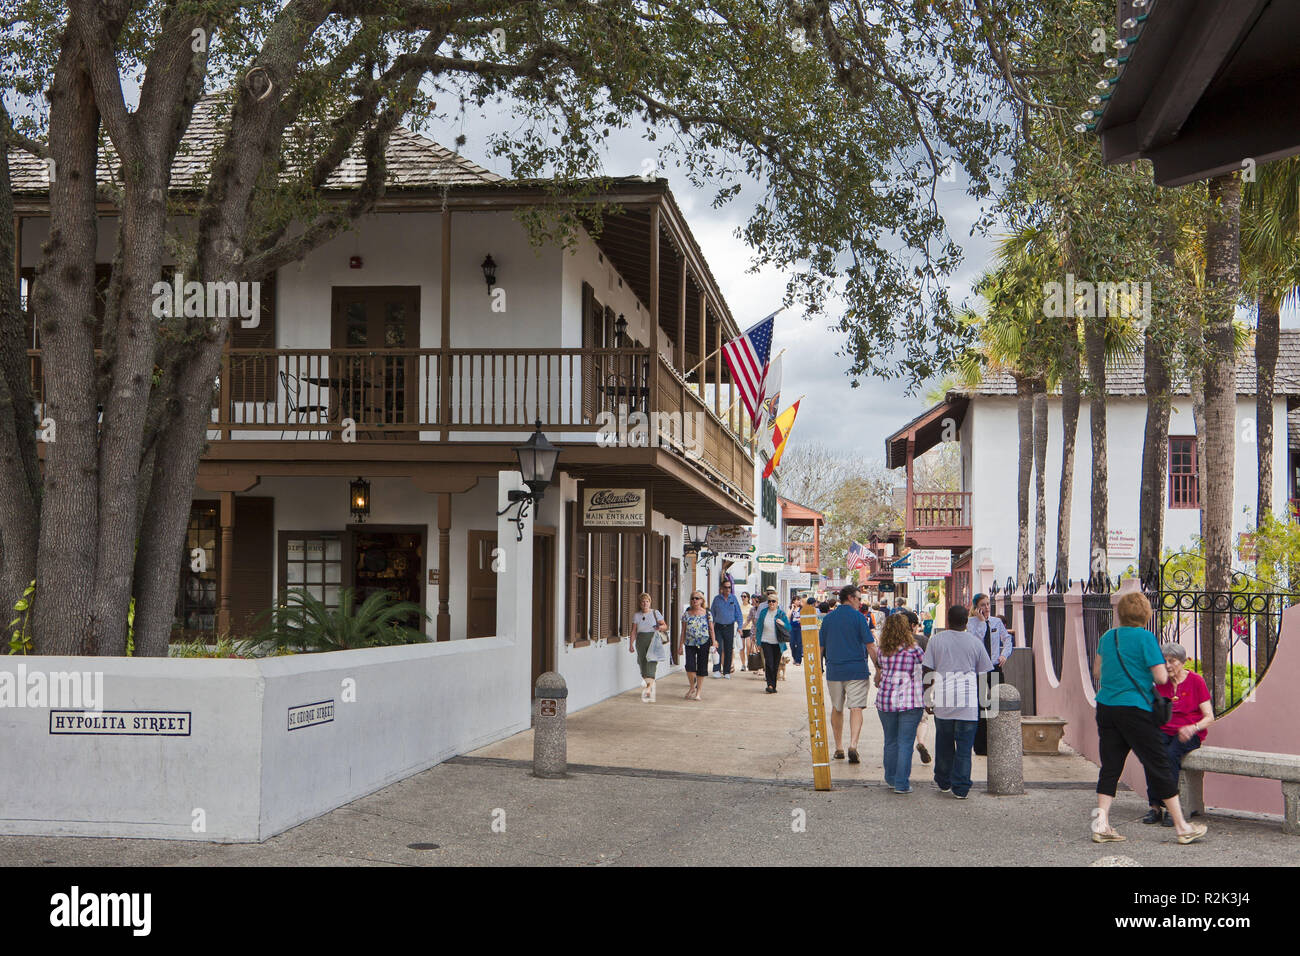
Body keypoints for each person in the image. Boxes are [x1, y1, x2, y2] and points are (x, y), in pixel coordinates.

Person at [1092, 592, 1207, 844]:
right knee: (1158, 764)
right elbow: (1162, 678)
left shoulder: (1108, 637)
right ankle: (1182, 826)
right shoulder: (1146, 638)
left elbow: (1098, 671)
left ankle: (1101, 823)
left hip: (1106, 707)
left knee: (1110, 765)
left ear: (1120, 613)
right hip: (1135, 710)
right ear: (1146, 614)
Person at [922, 604, 992, 799]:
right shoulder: (975, 642)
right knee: (964, 747)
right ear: (966, 622)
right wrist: (985, 702)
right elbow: (985, 672)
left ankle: (943, 781)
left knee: (944, 744)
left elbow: (927, 670)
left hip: (944, 700)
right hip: (967, 702)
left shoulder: (936, 640)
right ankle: (961, 787)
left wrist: (927, 698)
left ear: (948, 619)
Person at [1145, 642, 1213, 826]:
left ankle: (1169, 807)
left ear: (1183, 662)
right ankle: (1154, 806)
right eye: (1164, 661)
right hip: (1165, 730)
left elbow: (1209, 716)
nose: (1167, 665)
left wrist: (1193, 727)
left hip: (1189, 732)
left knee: (1170, 755)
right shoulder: (1161, 683)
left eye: (1172, 661)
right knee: (1151, 753)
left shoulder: (1196, 681)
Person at [820, 585, 880, 764]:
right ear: (851, 598)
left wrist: (816, 668)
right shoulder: (859, 618)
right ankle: (853, 744)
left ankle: (839, 747)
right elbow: (870, 646)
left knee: (837, 708)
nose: (860, 602)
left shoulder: (828, 619)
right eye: (859, 598)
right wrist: (879, 669)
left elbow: (820, 646)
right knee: (856, 708)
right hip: (856, 670)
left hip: (834, 670)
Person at [874, 612, 926, 793]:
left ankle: (891, 778)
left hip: (886, 700)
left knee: (890, 741)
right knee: (905, 743)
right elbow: (920, 675)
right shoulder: (915, 650)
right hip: (910, 701)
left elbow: (880, 669)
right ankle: (902, 783)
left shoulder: (882, 650)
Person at [967, 593, 1013, 755]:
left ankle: (996, 743)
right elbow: (975, 641)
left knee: (996, 704)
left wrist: (1004, 655)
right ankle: (981, 746)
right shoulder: (971, 623)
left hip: (994, 667)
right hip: (979, 669)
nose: (986, 608)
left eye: (988, 604)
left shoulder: (996, 621)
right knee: (981, 706)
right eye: (983, 605)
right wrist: (981, 623)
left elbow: (1007, 639)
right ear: (976, 607)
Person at [628, 592, 668, 702]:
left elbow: (665, 626)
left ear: (650, 602)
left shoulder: (655, 613)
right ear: (640, 604)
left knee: (651, 662)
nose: (645, 603)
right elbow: (633, 631)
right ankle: (648, 685)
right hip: (641, 640)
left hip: (653, 639)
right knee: (642, 662)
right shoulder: (637, 615)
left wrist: (658, 627)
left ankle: (649, 688)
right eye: (643, 601)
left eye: (647, 601)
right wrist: (631, 644)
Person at [904, 609, 932, 765]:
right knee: (922, 719)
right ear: (914, 625)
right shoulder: (922, 641)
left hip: (898, 688)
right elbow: (929, 665)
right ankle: (921, 742)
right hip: (918, 685)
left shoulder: (893, 641)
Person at [678, 590, 717, 702]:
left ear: (701, 601)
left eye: (697, 598)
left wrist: (714, 642)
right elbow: (683, 631)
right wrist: (680, 646)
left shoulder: (707, 614)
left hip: (704, 642)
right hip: (690, 643)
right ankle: (692, 686)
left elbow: (711, 629)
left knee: (702, 667)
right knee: (689, 666)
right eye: (692, 598)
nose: (694, 600)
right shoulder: (686, 614)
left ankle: (698, 692)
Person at [754, 594, 791, 693]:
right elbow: (759, 628)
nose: (771, 603)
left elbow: (789, 627)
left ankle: (773, 685)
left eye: (773, 601)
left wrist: (782, 623)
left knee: (775, 665)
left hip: (778, 643)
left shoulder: (781, 614)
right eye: (769, 601)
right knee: (769, 663)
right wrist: (758, 642)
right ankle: (769, 685)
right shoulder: (763, 613)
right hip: (766, 641)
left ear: (777, 603)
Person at [709, 580, 743, 679]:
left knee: (729, 649)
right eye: (726, 587)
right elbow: (712, 615)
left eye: (729, 587)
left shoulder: (734, 598)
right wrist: (710, 627)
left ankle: (727, 671)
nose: (728, 589)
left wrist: (740, 627)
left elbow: (738, 614)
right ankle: (716, 670)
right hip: (718, 626)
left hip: (729, 626)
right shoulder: (716, 599)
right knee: (717, 648)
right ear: (722, 588)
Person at [740, 593, 758, 672]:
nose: (743, 598)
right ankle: (743, 664)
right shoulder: (740, 607)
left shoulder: (751, 607)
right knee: (741, 647)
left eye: (745, 596)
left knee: (748, 646)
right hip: (741, 628)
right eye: (742, 596)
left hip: (749, 628)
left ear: (748, 598)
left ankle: (749, 663)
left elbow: (750, 619)